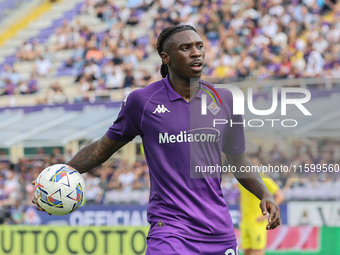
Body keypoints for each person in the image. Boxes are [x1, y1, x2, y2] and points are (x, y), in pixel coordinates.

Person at [32, 25, 281, 254]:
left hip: (219, 231)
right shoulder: (142, 102)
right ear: (166, 57)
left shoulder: (224, 99)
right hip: (170, 230)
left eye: (199, 46)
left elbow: (238, 160)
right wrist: (56, 180)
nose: (196, 53)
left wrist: (265, 194)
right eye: (185, 48)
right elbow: (100, 150)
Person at [239, 156, 285, 255]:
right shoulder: (242, 179)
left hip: (257, 222)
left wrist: (266, 214)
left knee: (258, 251)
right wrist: (242, 214)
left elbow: (280, 196)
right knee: (246, 251)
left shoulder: (263, 179)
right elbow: (242, 197)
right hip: (245, 222)